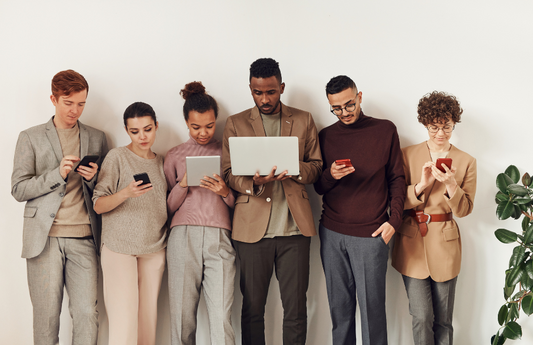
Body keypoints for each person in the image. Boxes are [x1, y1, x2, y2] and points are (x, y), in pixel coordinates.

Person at [222, 57, 322, 345]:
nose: (264, 99)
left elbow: (316, 167)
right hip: (252, 231)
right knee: (253, 310)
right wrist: (254, 182)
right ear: (250, 89)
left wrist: (294, 168)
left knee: (295, 309)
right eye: (257, 92)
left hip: (295, 230)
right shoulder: (236, 123)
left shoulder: (303, 119)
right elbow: (228, 173)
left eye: (271, 92)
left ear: (281, 87)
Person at [11, 69, 108, 345]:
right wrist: (57, 174)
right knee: (46, 318)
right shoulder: (29, 137)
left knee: (87, 313)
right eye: (68, 103)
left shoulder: (97, 137)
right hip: (44, 239)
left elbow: (104, 188)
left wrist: (93, 179)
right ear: (53, 99)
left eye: (81, 103)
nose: (75, 110)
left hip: (84, 238)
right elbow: (18, 189)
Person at [314, 75, 406, 345]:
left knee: (372, 314)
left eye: (349, 104)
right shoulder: (326, 136)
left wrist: (394, 221)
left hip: (372, 234)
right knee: (339, 312)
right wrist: (330, 174)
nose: (344, 112)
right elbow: (318, 187)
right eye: (336, 108)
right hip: (332, 233)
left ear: (360, 97)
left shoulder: (385, 130)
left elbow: (397, 179)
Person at [391, 91, 476, 345]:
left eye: (446, 126)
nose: (440, 133)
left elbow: (464, 209)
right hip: (411, 243)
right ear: (425, 124)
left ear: (454, 123)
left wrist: (451, 184)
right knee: (421, 316)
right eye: (434, 127)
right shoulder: (406, 155)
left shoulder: (466, 161)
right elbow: (395, 201)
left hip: (446, 244)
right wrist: (420, 186)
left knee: (444, 320)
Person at [164, 82, 236, 345]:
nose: (203, 132)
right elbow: (168, 208)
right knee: (182, 318)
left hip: (220, 237)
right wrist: (183, 184)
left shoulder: (227, 152)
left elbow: (238, 203)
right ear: (186, 122)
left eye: (209, 125)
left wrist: (224, 190)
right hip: (183, 237)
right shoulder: (174, 155)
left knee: (221, 316)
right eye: (196, 127)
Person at [93, 102, 167, 345]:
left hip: (154, 248)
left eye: (147, 129)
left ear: (156, 126)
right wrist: (125, 193)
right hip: (119, 248)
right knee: (124, 324)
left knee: (148, 323)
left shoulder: (162, 162)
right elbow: (98, 204)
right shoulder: (117, 157)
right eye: (135, 132)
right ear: (126, 130)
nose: (142, 136)